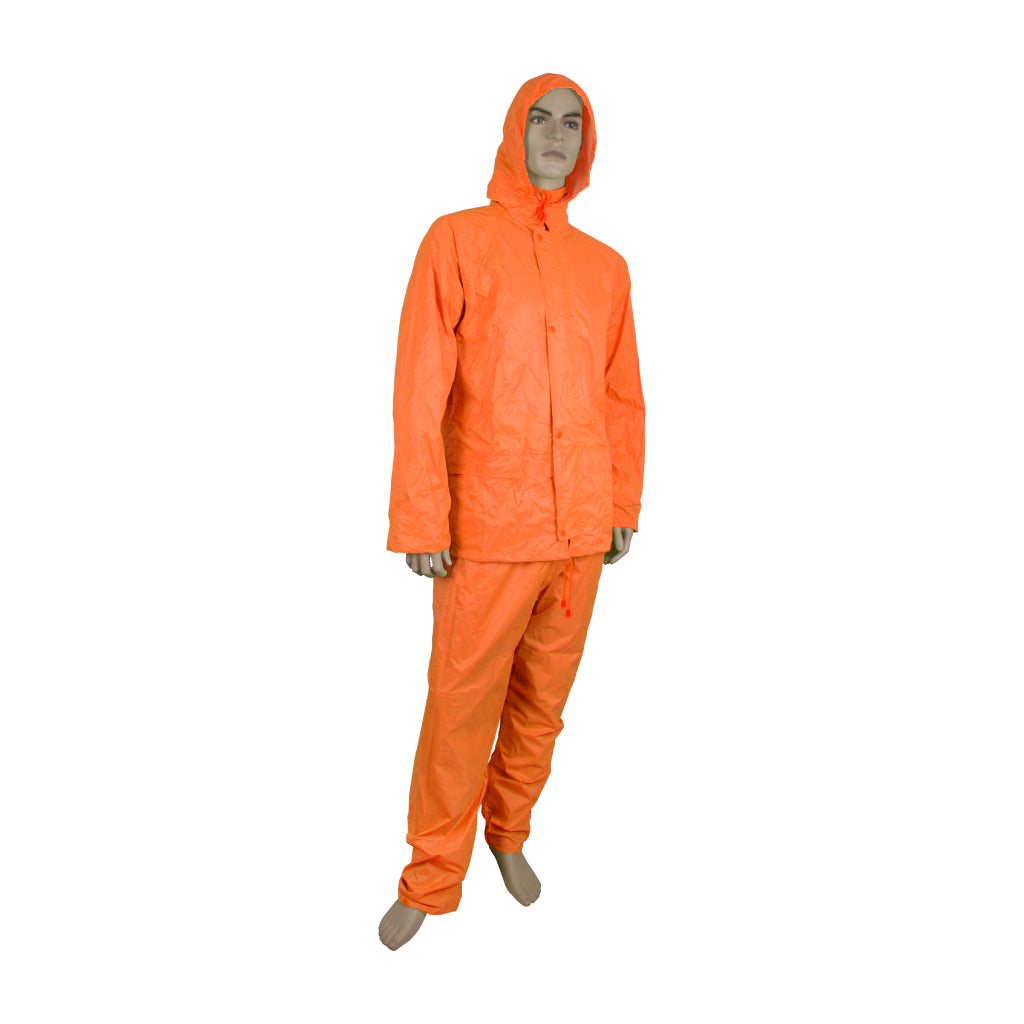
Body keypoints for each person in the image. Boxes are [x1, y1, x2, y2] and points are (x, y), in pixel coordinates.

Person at [379, 72, 645, 951]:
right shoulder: (456, 240)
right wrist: (422, 517)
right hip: (486, 529)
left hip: (578, 535)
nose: (557, 135)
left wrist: (620, 501)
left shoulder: (605, 267)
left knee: (542, 705)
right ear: (512, 132)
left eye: (572, 123)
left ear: (587, 144)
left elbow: (621, 395)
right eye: (541, 119)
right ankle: (431, 875)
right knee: (460, 709)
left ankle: (509, 831)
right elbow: (421, 384)